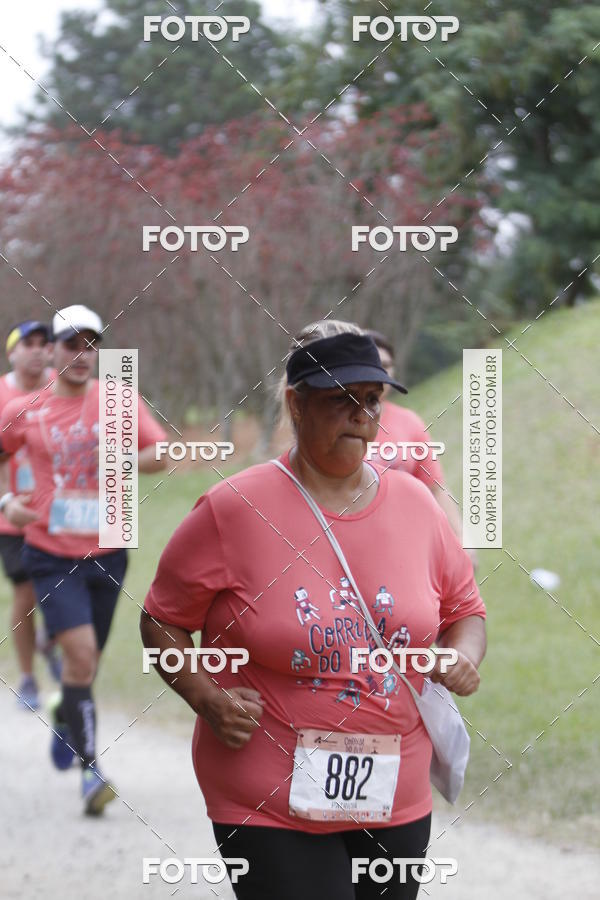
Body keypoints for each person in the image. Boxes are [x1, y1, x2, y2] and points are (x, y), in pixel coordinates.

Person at [141, 330, 486, 899]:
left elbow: (466, 610)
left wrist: (462, 655)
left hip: (394, 792)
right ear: (296, 404)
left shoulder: (415, 504)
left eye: (372, 400)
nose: (360, 415)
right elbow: (160, 618)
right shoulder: (234, 508)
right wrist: (204, 695)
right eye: (340, 400)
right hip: (268, 793)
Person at [0, 304, 167, 815]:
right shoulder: (24, 409)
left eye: (91, 344)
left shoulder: (119, 400)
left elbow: (161, 454)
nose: (82, 354)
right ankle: (91, 771)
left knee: (85, 663)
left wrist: (120, 457)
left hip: (109, 549)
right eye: (70, 344)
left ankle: (68, 717)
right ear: (52, 350)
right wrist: (6, 504)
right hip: (49, 552)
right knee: (80, 655)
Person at [365, 329, 478, 568]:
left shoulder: (409, 422)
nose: (381, 372)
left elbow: (435, 487)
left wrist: (462, 540)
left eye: (387, 365)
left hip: (410, 547)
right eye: (373, 364)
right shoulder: (338, 426)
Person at [0, 320, 60, 710]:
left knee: (61, 589)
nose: (37, 350)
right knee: (26, 592)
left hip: (62, 512)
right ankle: (27, 678)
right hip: (12, 516)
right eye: (28, 344)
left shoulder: (64, 386)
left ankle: (51, 641)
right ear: (12, 353)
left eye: (44, 343)